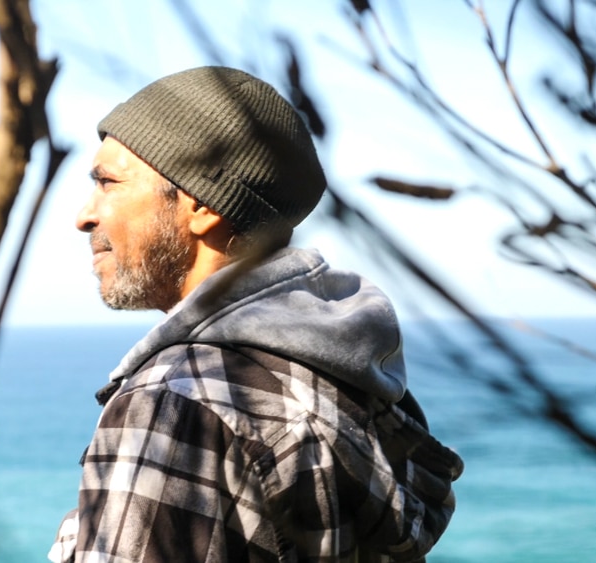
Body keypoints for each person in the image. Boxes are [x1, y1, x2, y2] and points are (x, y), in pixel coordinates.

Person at [48, 66, 463, 563]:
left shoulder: (177, 402)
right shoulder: (341, 381)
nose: (83, 216)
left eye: (108, 182)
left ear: (201, 205)